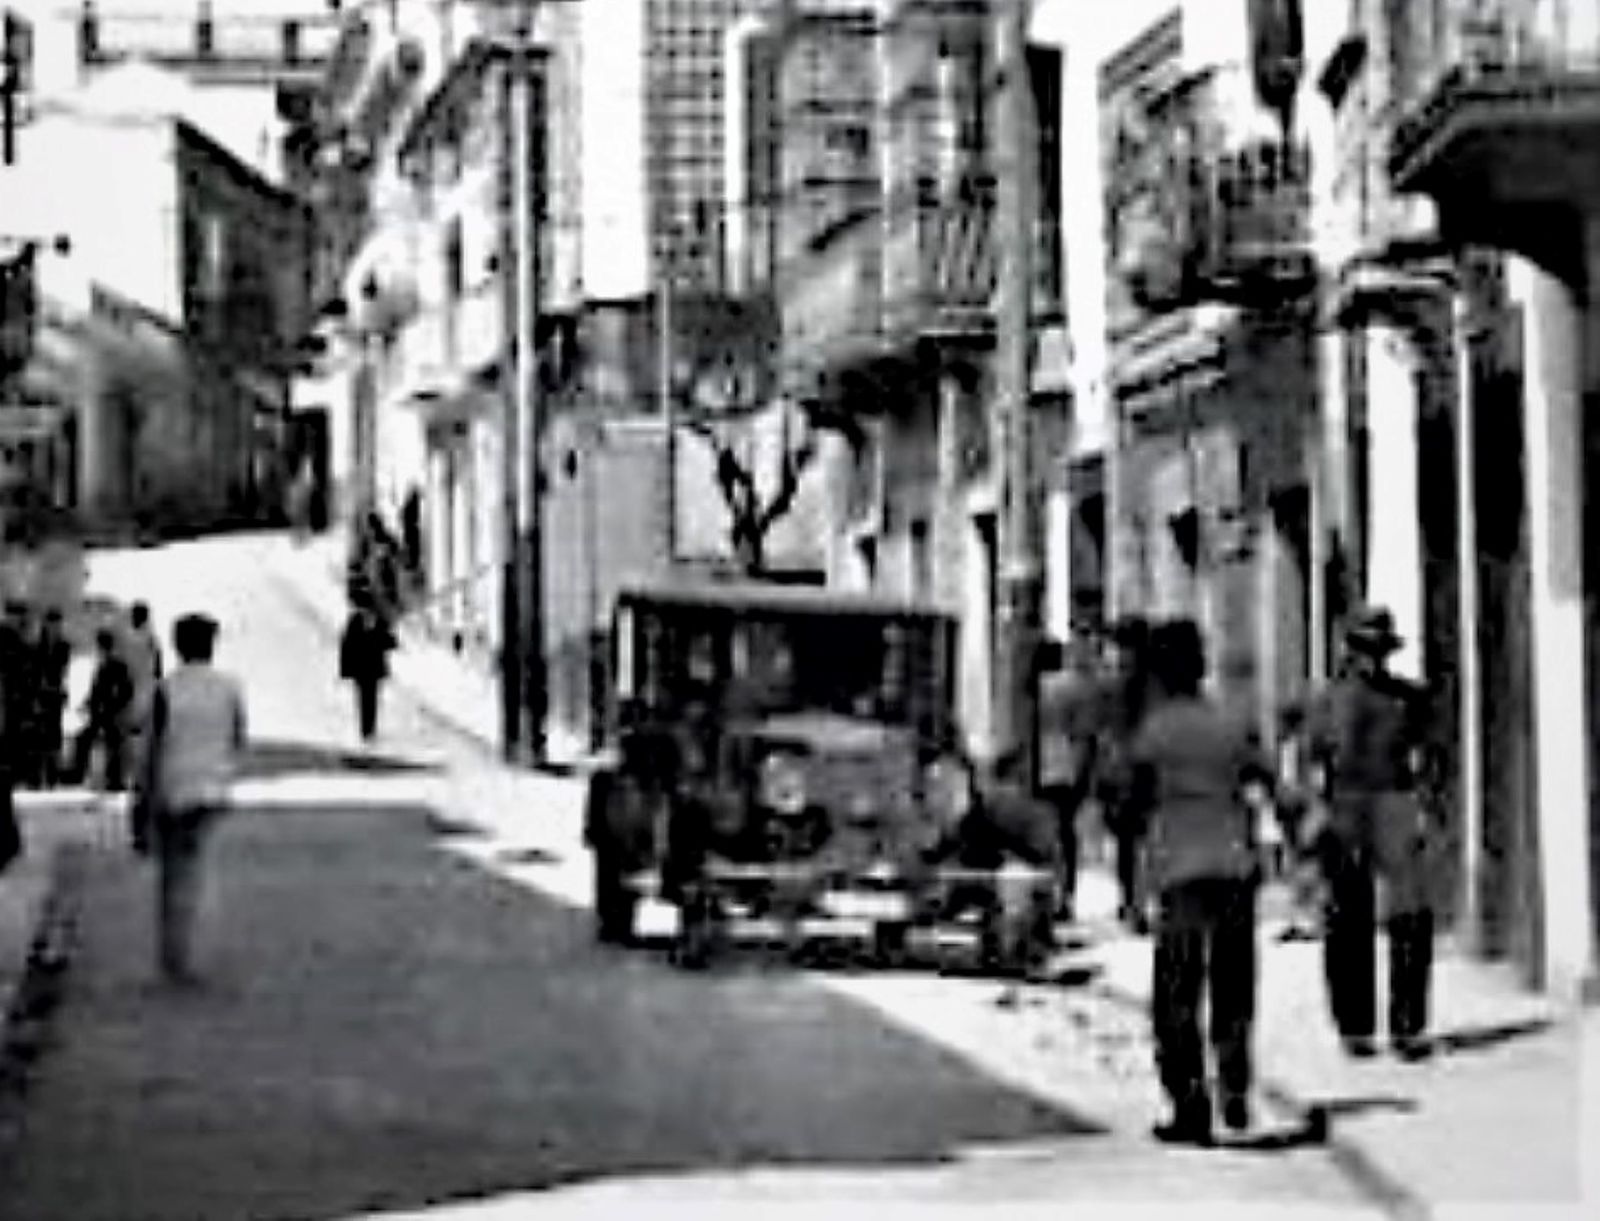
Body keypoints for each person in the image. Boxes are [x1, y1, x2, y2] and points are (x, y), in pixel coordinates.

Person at [1128, 619, 1272, 1145]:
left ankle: (1191, 1103)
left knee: (1176, 993)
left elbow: (1131, 803)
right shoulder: (1232, 723)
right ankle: (1234, 1083)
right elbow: (1267, 779)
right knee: (1233, 983)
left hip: (1179, 872)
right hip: (1235, 865)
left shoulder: (1154, 730)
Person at [1305, 606, 1440, 1062]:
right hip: (1344, 805)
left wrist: (1423, 808)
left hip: (1394, 802)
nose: (1372, 660)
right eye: (1364, 649)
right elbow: (1308, 761)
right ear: (1350, 651)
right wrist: (1310, 814)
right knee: (1347, 920)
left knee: (1410, 918)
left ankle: (1408, 1025)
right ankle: (1355, 1025)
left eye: (1379, 650)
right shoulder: (1325, 700)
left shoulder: (1408, 699)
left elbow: (1425, 757)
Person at [133, 613, 246, 985]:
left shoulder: (166, 689)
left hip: (173, 788)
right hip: (213, 788)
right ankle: (188, 951)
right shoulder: (229, 687)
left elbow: (149, 750)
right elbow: (237, 738)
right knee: (195, 867)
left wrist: (140, 803)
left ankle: (175, 956)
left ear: (178, 646)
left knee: (173, 874)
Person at [1037, 631, 1106, 923]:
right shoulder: (1075, 687)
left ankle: (1047, 893)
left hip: (1039, 768)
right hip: (1067, 768)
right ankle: (1065, 894)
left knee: (1043, 834)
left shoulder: (1034, 689)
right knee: (1065, 834)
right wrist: (1085, 773)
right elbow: (1085, 734)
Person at [1097, 616, 1156, 934]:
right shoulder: (1129, 679)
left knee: (1132, 842)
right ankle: (1133, 902)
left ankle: (1134, 903)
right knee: (1132, 842)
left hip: (1131, 770)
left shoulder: (1128, 680)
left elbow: (1109, 729)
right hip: (1128, 770)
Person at [74, 627, 135, 791]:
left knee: (110, 743)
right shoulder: (103, 665)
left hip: (110, 713)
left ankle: (112, 779)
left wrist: (114, 706)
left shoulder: (116, 665)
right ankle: (90, 776)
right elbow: (96, 691)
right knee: (87, 740)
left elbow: (125, 690)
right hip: (101, 713)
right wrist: (86, 705)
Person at [339, 600, 397, 744]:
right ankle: (365, 730)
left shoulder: (381, 622)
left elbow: (391, 642)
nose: (368, 612)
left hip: (375, 669)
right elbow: (347, 645)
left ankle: (370, 729)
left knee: (372, 700)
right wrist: (345, 670)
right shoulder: (355, 621)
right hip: (360, 669)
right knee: (364, 699)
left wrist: (386, 638)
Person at [123, 601, 165, 786]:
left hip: (136, 689)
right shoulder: (151, 639)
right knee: (143, 735)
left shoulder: (130, 639)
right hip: (143, 689)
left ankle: (135, 775)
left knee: (135, 734)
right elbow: (158, 668)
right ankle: (140, 776)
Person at [34, 608, 72, 789]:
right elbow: (35, 671)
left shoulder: (64, 646)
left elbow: (64, 673)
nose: (55, 628)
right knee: (40, 734)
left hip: (55, 693)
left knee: (54, 733)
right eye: (52, 624)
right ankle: (39, 775)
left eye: (57, 625)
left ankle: (51, 775)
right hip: (42, 693)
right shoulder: (38, 646)